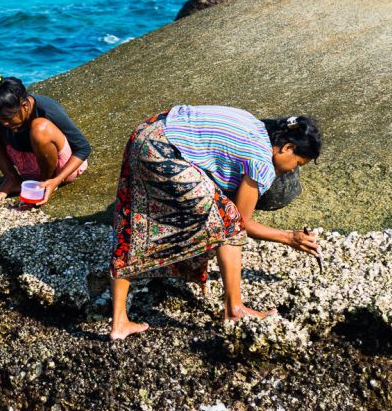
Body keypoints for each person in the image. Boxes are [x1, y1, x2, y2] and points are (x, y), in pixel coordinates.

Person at [108, 105, 322, 340]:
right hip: (162, 149)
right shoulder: (261, 161)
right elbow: (240, 223)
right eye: (298, 164)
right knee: (227, 221)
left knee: (135, 218)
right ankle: (234, 309)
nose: (292, 171)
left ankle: (119, 323)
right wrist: (289, 238)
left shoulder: (257, 126)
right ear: (287, 148)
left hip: (147, 131)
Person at [0, 73, 91, 205]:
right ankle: (12, 179)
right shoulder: (0, 112)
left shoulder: (46, 108)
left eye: (8, 119)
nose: (4, 124)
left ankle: (43, 184)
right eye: (1, 120)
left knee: (40, 127)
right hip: (25, 161)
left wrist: (57, 180)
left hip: (59, 168)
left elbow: (83, 148)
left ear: (25, 106)